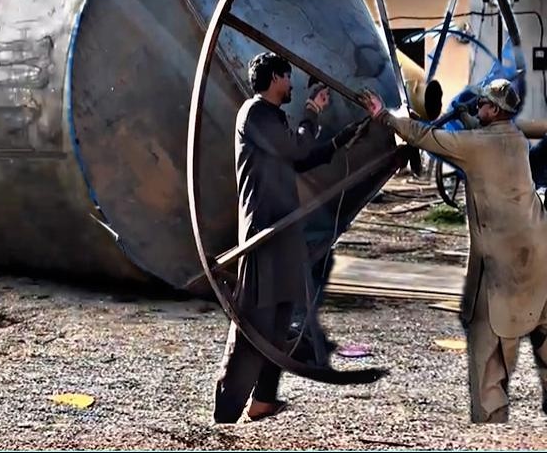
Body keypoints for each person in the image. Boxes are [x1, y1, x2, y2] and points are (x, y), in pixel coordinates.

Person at [361, 79, 547, 423]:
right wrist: (465, 119)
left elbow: (425, 137)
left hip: (504, 261)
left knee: (489, 342)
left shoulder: (474, 146)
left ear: (494, 110)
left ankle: (491, 425)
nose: (478, 108)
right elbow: (479, 136)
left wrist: (385, 116)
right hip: (540, 248)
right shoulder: (516, 140)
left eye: (482, 105)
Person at [214, 52, 361, 424]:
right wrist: (312, 110)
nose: (292, 84)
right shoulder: (255, 114)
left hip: (281, 231)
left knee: (279, 320)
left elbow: (302, 157)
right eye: (288, 77)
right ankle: (226, 411)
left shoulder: (272, 119)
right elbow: (295, 148)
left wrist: (341, 139)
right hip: (264, 235)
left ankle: (262, 401)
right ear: (276, 78)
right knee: (255, 321)